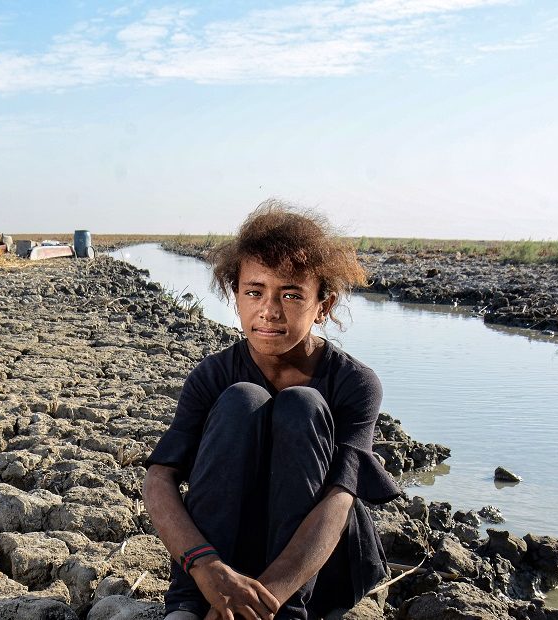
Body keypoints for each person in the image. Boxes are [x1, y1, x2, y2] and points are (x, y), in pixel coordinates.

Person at [142, 201, 402, 620]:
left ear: (324, 304)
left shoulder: (354, 383)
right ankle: (189, 605)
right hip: (223, 565)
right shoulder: (212, 376)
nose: (269, 310)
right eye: (254, 291)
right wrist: (208, 572)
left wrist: (261, 603)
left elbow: (338, 501)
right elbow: (159, 477)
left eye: (292, 294)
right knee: (242, 399)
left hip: (315, 569)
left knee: (304, 404)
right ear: (235, 295)